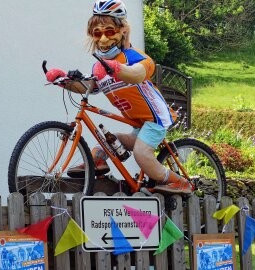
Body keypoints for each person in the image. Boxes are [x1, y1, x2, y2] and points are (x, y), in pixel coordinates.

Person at [45, 0, 191, 194]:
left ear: (122, 31)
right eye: (97, 33)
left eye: (109, 32)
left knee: (141, 153)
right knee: (110, 140)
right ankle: (97, 162)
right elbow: (89, 86)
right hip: (138, 124)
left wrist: (118, 68)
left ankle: (180, 182)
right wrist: (63, 80)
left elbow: (138, 73)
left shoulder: (132, 56)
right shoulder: (99, 66)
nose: (103, 39)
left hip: (155, 118)